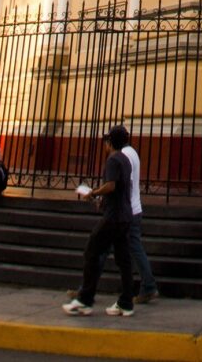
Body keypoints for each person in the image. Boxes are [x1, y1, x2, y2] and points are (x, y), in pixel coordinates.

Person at [63, 127, 137, 318]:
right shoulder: (126, 160)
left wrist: (93, 192)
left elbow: (111, 186)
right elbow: (120, 189)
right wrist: (101, 202)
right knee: (124, 260)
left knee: (92, 251)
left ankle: (85, 300)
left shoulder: (112, 160)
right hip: (125, 215)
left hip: (113, 217)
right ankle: (126, 303)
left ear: (110, 142)